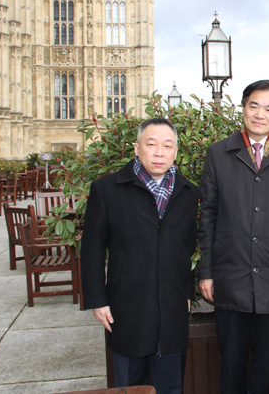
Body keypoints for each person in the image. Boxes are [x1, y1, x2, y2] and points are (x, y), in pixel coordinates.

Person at [198, 80, 269, 394]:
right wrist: (206, 271)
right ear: (243, 107)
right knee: (231, 363)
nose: (260, 114)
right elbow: (207, 215)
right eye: (254, 106)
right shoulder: (219, 153)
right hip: (231, 276)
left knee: (266, 367)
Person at [82, 118, 199, 394]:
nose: (159, 152)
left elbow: (186, 247)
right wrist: (98, 300)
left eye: (167, 146)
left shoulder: (188, 192)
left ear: (175, 151)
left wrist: (186, 292)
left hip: (172, 313)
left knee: (170, 386)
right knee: (129, 387)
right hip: (127, 311)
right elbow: (92, 250)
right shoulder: (107, 190)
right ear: (137, 148)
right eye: (151, 144)